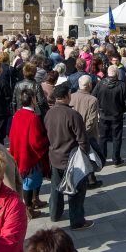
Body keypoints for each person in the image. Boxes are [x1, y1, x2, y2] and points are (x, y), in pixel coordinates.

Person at [44, 83, 94, 230]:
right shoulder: (73, 115)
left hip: (55, 157)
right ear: (66, 97)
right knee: (75, 191)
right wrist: (84, 154)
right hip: (72, 160)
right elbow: (83, 139)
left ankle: (55, 214)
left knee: (56, 189)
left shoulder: (49, 113)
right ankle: (77, 221)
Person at [8, 88, 50, 216]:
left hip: (20, 152)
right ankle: (28, 208)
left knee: (33, 180)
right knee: (30, 182)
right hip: (30, 156)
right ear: (33, 100)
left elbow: (12, 135)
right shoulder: (33, 118)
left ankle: (34, 199)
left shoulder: (18, 114)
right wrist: (47, 139)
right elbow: (36, 142)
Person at [70, 74, 102, 188]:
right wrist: (83, 133)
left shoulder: (71, 96)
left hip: (74, 133)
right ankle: (90, 179)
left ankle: (83, 178)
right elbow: (92, 120)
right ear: (89, 85)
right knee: (89, 155)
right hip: (88, 134)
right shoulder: (92, 100)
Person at [95, 65, 126, 166]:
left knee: (103, 137)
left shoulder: (101, 83)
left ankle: (102, 159)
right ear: (117, 74)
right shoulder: (121, 85)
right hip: (116, 115)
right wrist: (123, 110)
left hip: (104, 115)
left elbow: (94, 96)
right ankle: (116, 159)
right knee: (116, 137)